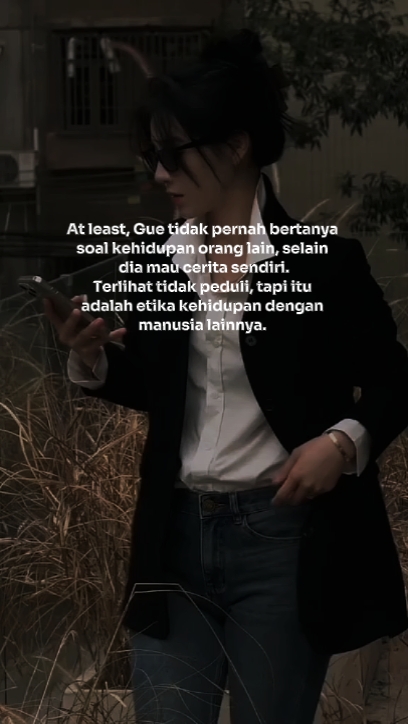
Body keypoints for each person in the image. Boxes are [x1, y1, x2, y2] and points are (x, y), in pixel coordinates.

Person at [44, 28, 408, 724]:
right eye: (151, 157)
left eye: (172, 155)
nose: (159, 175)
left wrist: (341, 444)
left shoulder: (323, 265)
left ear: (236, 145)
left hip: (283, 541)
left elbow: (396, 380)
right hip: (175, 538)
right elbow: (163, 389)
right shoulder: (160, 262)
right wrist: (91, 358)